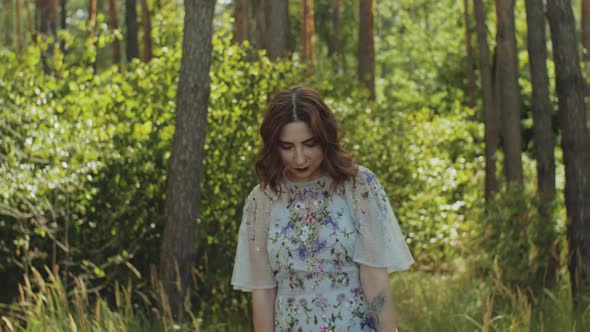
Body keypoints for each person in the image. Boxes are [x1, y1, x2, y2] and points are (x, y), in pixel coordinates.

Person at [231, 86, 414, 331]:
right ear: (273, 145)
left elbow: (374, 276)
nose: (299, 158)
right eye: (287, 146)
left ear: (325, 139)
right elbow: (263, 291)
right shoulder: (261, 200)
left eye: (309, 144)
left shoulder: (357, 185)